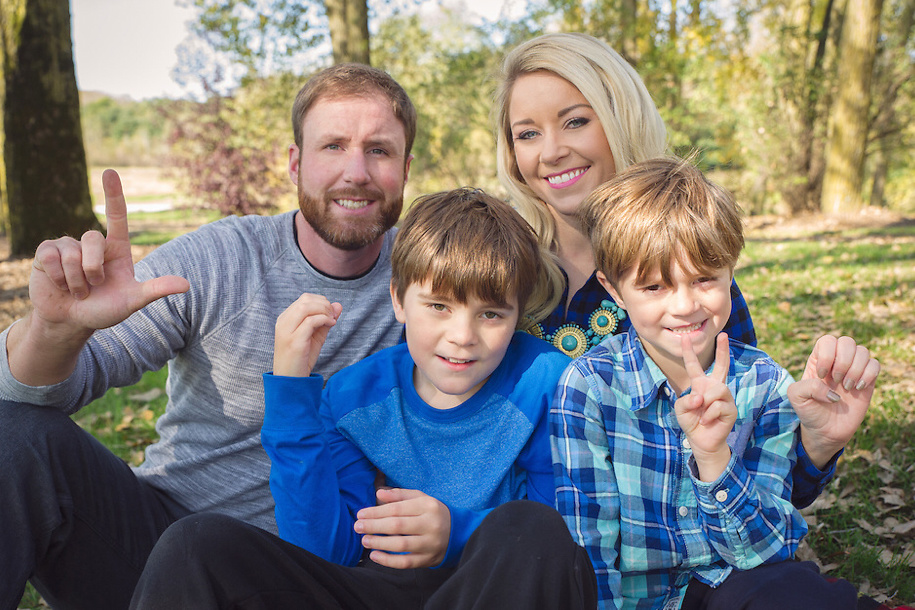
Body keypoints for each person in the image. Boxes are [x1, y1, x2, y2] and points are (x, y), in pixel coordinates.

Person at [0, 63, 415, 609]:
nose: (356, 171)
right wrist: (54, 329)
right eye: (333, 146)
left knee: (208, 544)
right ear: (295, 163)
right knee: (15, 436)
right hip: (156, 547)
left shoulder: (428, 285)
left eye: (379, 150)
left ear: (407, 168)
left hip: (308, 577)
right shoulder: (223, 259)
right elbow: (35, 394)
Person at [127, 188, 597, 609]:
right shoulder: (354, 396)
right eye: (438, 306)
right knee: (195, 542)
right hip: (376, 591)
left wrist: (457, 534)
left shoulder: (545, 381)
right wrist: (292, 389)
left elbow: (565, 543)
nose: (462, 336)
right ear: (398, 299)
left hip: (487, 590)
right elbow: (324, 550)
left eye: (491, 314)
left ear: (517, 315)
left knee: (531, 528)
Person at [493, 31, 866, 508]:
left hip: (674, 547)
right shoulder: (504, 272)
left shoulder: (695, 295)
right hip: (517, 542)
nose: (550, 152)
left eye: (575, 121)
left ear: (619, 120)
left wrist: (818, 445)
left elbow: (764, 477)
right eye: (527, 133)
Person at [551, 157, 880, 609]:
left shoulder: (764, 384)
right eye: (654, 287)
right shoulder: (588, 386)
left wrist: (714, 458)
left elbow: (767, 553)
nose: (685, 305)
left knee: (792, 589)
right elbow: (589, 545)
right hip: (632, 602)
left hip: (724, 588)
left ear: (730, 272)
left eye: (704, 279)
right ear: (613, 290)